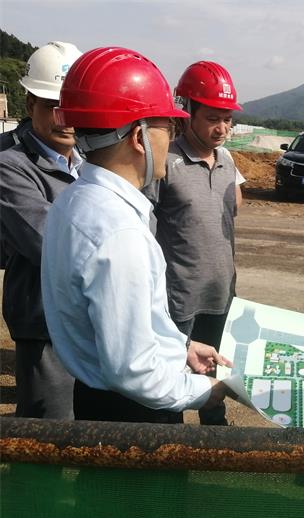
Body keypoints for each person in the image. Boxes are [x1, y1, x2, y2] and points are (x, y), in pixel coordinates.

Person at [41, 46, 233, 423]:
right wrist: (204, 391)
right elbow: (132, 371)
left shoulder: (75, 200)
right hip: (131, 412)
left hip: (97, 397)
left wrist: (180, 347)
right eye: (168, 127)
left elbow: (126, 324)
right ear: (139, 137)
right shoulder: (118, 232)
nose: (170, 139)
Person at [141, 60, 243, 426]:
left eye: (227, 119)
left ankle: (215, 430)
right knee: (171, 374)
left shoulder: (227, 161)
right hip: (178, 298)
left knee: (214, 370)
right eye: (213, 118)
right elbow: (145, 230)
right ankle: (168, 440)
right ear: (187, 113)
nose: (222, 128)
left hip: (221, 294)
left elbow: (230, 210)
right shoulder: (164, 162)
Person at [0, 41, 83, 419]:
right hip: (43, 322)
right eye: (53, 106)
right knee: (50, 428)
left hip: (87, 318)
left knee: (93, 429)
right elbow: (47, 240)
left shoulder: (87, 158)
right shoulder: (9, 163)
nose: (65, 119)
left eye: (73, 107)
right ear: (30, 103)